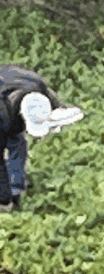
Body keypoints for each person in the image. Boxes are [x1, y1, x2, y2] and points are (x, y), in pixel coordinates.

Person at [0, 65, 83, 211]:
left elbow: (57, 108)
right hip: (4, 110)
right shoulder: (3, 113)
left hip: (9, 91)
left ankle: (17, 187)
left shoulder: (39, 90)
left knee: (18, 143)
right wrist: (4, 199)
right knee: (13, 138)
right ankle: (8, 196)